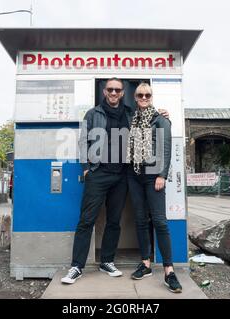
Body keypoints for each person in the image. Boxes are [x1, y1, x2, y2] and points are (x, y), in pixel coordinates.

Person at [61, 78, 169, 284]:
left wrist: (163, 115)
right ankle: (76, 266)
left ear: (122, 93)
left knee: (114, 221)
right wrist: (86, 169)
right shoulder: (93, 114)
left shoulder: (131, 114)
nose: (113, 92)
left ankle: (107, 261)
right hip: (98, 173)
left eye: (117, 90)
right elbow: (83, 141)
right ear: (104, 91)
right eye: (110, 89)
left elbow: (150, 123)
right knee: (86, 220)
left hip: (122, 175)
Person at [126, 83, 182, 293]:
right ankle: (146, 264)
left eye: (147, 94)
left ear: (152, 96)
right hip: (134, 175)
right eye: (140, 94)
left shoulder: (161, 119)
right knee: (140, 220)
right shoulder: (131, 118)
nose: (143, 97)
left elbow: (166, 149)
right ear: (135, 96)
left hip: (153, 176)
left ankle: (169, 270)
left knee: (159, 221)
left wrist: (162, 175)